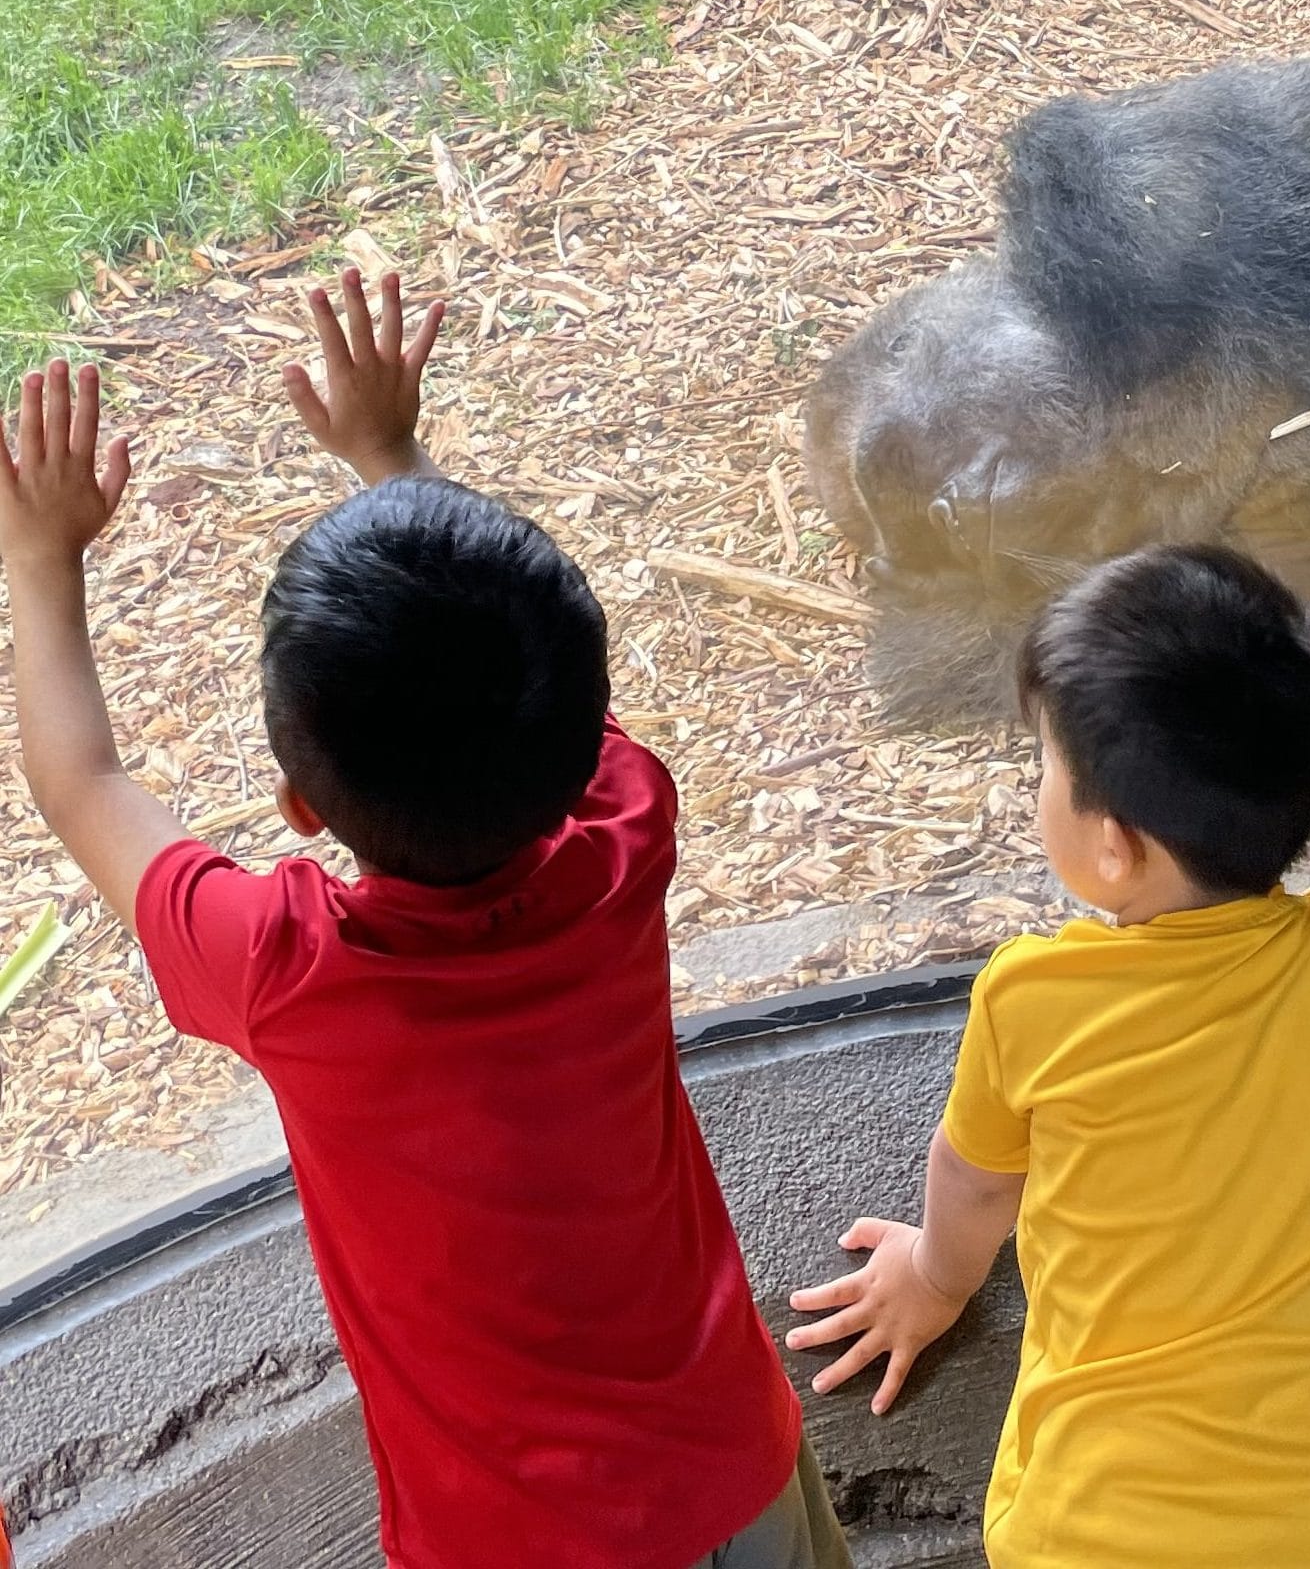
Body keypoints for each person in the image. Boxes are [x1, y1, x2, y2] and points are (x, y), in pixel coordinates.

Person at [0, 272, 847, 1569]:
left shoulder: (289, 972)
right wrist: (389, 455)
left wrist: (40, 557)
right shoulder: (623, 832)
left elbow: (84, 785)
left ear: (294, 802)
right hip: (738, 1469)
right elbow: (529, 677)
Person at [783, 543, 1310, 1567]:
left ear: (1116, 847)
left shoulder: (1037, 999)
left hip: (1083, 1534)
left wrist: (935, 1277)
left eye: (1044, 763)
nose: (1037, 781)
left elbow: (977, 1185)